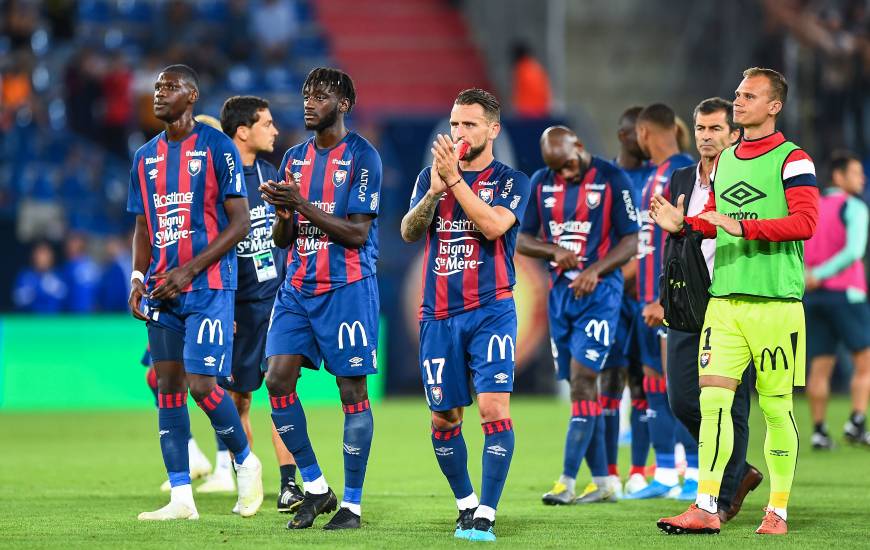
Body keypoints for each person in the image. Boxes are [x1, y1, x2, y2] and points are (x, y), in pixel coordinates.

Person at [654, 67, 819, 535]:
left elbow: (806, 222)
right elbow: (716, 218)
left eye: (750, 96)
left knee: (774, 408)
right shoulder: (726, 161)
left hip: (774, 304)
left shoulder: (794, 160)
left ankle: (778, 509)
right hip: (723, 303)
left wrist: (741, 226)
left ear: (774, 106)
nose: (739, 102)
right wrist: (686, 223)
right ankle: (706, 505)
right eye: (737, 94)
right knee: (712, 405)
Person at [127, 64, 263, 521]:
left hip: (208, 286)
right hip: (163, 289)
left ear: (192, 96)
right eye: (157, 87)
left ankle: (245, 462)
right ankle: (182, 497)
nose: (159, 93)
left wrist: (189, 270)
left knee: (204, 386)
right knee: (168, 388)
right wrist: (137, 278)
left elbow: (241, 224)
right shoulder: (144, 156)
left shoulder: (218, 148)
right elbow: (143, 225)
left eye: (170, 87)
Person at [400, 88, 531, 542]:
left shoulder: (513, 180)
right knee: (444, 419)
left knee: (493, 407)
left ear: (493, 130)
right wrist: (434, 194)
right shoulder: (430, 178)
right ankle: (466, 504)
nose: (458, 132)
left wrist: (454, 182)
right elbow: (408, 231)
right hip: (437, 315)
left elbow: (494, 226)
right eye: (454, 124)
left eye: (470, 124)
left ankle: (487, 514)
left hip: (492, 309)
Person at [260, 67, 382, 531]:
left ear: (344, 104)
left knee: (351, 390)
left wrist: (303, 205)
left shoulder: (363, 157)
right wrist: (284, 211)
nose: (310, 102)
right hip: (297, 288)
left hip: (347, 288)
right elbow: (283, 237)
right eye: (307, 94)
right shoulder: (293, 157)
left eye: (322, 95)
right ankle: (315, 486)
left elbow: (356, 233)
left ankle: (351, 504)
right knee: (276, 380)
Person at [517, 126, 639, 505]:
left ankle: (567, 481)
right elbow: (521, 238)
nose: (564, 174)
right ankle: (604, 483)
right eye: (556, 168)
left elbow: (632, 240)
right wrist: (553, 250)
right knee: (579, 390)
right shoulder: (541, 181)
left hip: (601, 295)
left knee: (586, 380)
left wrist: (595, 270)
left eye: (568, 164)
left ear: (579, 147)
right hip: (560, 297)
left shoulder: (611, 178)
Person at [199, 96, 304, 513]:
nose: (275, 131)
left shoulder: (269, 173)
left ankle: (289, 484)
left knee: (282, 390)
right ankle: (242, 470)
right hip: (236, 305)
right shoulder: (217, 180)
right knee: (239, 398)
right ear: (243, 131)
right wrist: (220, 307)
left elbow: (284, 235)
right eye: (267, 123)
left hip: (274, 300)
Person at [663, 97, 763, 523]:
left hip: (733, 301)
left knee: (733, 404)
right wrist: (663, 294)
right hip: (689, 304)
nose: (706, 136)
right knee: (682, 400)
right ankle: (738, 471)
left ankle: (721, 499)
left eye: (716, 129)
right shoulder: (681, 177)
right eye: (701, 128)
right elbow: (673, 240)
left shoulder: (746, 178)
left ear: (734, 134)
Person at [624, 103, 698, 501]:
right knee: (655, 384)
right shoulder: (653, 175)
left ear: (643, 133)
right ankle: (667, 471)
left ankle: (698, 473)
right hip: (646, 302)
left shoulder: (684, 172)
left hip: (672, 301)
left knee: (683, 385)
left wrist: (664, 300)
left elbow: (685, 242)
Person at [804, 150, 870, 448]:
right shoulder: (854, 207)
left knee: (819, 367)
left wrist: (809, 275)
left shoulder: (811, 207)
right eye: (856, 173)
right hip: (847, 294)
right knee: (864, 362)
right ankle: (856, 422)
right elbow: (854, 252)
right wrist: (823, 273)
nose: (862, 178)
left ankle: (819, 431)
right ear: (839, 176)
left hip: (814, 297)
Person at [606, 106, 654, 496]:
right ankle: (607, 473)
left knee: (642, 383)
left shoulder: (662, 177)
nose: (649, 140)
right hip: (611, 299)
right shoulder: (604, 178)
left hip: (647, 299)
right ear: (626, 136)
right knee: (608, 381)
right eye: (643, 133)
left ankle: (639, 470)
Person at [12, 242, 67, 313]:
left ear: (52, 257)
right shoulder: (25, 277)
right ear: (33, 256)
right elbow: (18, 300)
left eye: (46, 254)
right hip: (29, 321)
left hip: (54, 320)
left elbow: (65, 300)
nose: (43, 258)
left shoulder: (59, 277)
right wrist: (38, 289)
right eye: (40, 254)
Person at [61, 233, 101, 313]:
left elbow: (99, 289)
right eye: (72, 242)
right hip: (71, 313)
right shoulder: (66, 267)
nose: (74, 245)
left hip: (92, 312)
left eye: (76, 241)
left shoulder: (92, 265)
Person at [510, 42, 552, 118]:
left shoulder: (522, 68)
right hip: (542, 111)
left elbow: (524, 92)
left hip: (529, 113)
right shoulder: (535, 66)